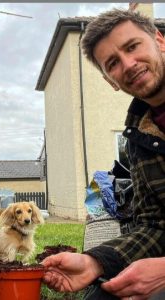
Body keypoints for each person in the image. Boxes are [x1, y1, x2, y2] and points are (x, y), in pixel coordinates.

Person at [42, 8, 165, 300]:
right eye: (113, 63)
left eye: (132, 46)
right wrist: (95, 262)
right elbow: (154, 225)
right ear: (111, 81)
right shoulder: (139, 139)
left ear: (160, 40)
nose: (129, 64)